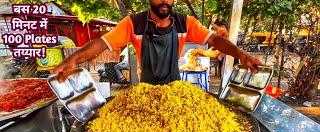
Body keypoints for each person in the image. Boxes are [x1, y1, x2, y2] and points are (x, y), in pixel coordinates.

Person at [54, 0, 261, 85]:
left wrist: (242, 55)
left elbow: (215, 40)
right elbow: (102, 43)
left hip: (175, 86)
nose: (164, 1)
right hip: (146, 87)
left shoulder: (185, 22)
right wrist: (75, 58)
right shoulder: (133, 23)